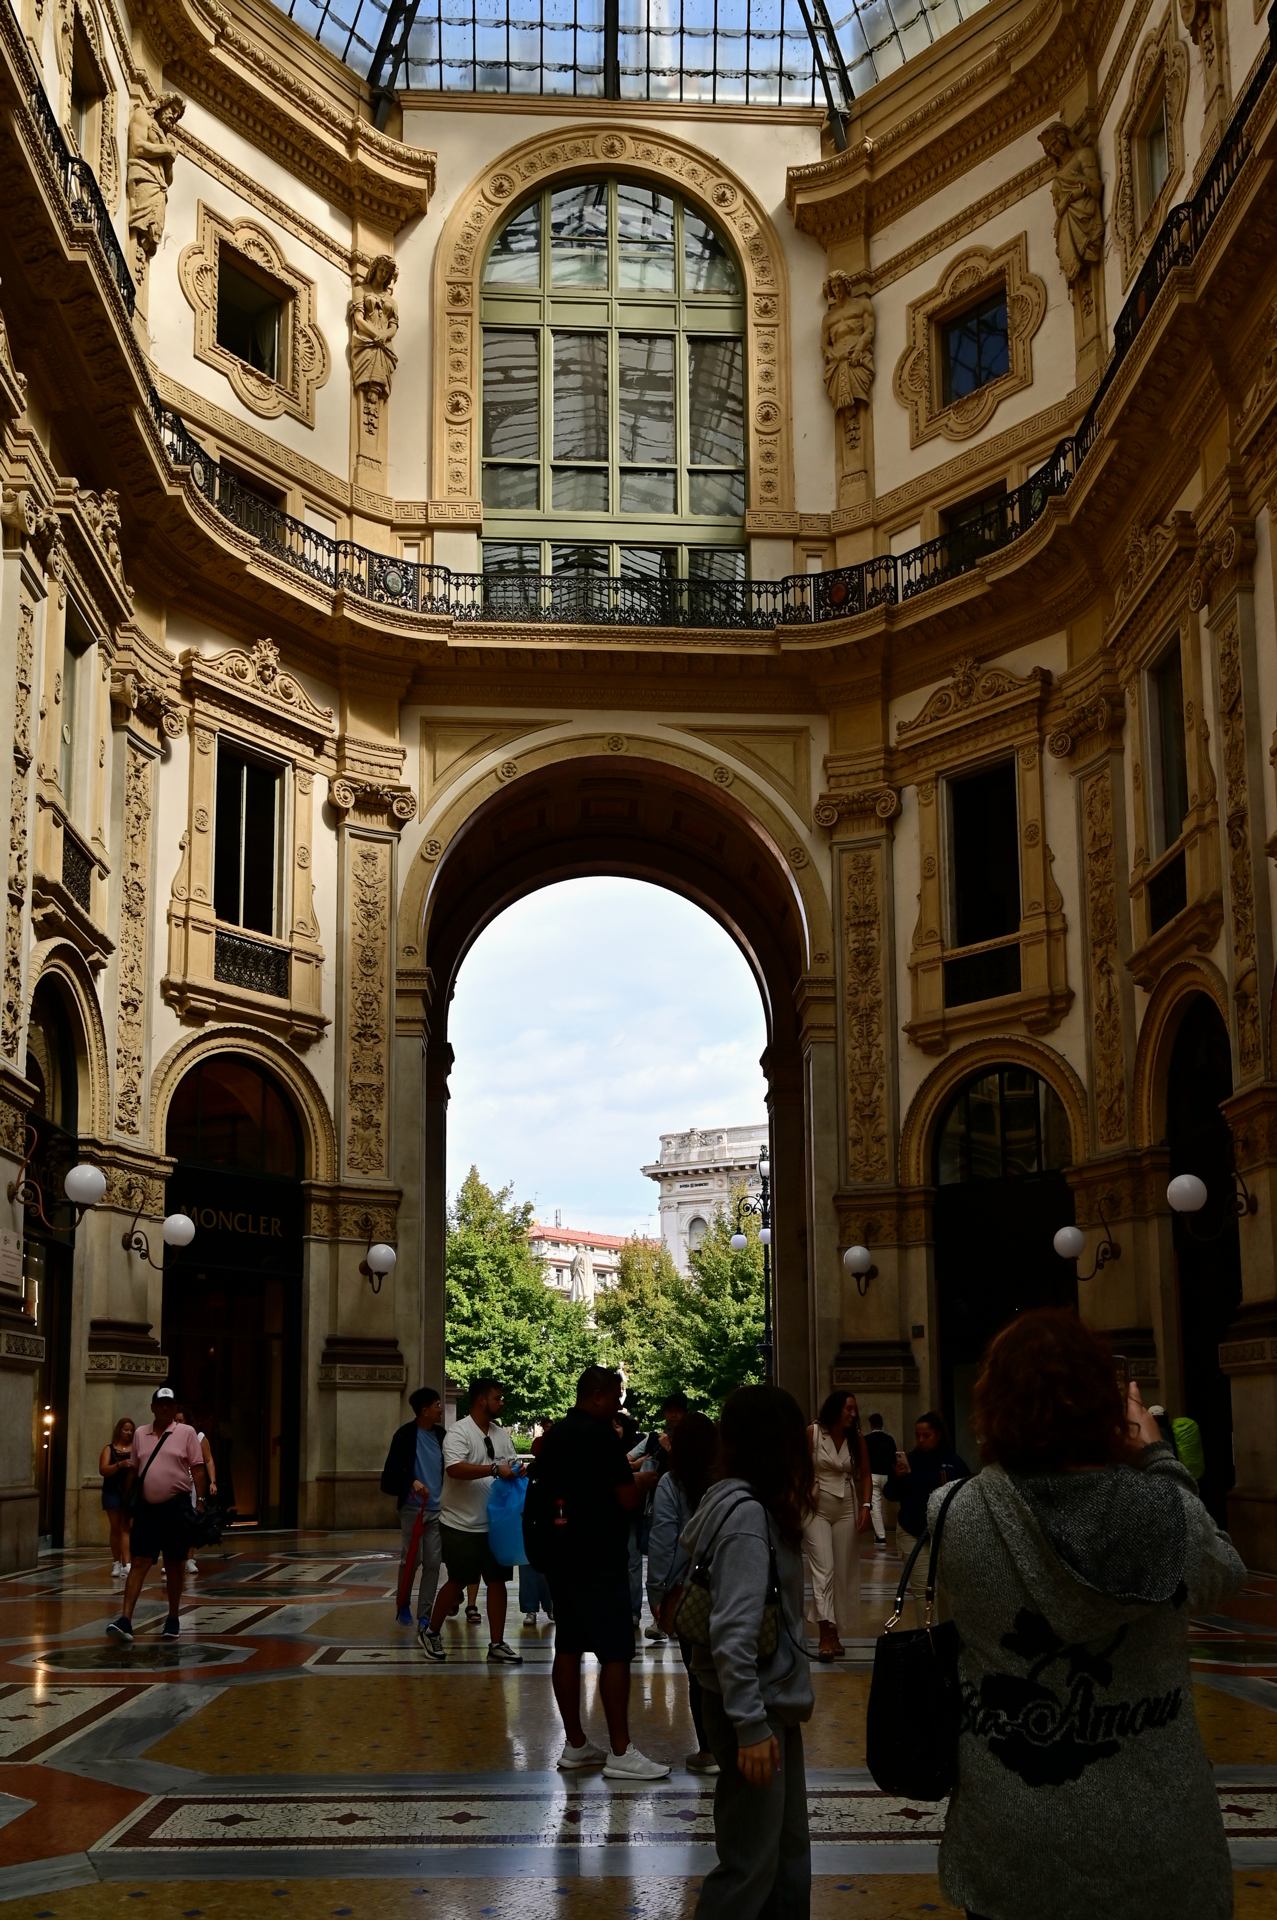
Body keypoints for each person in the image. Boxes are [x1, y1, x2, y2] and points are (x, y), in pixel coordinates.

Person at [932, 1309, 1245, 1920]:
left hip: (1012, 1842)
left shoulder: (954, 1513)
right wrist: (1158, 1459)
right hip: (1156, 1843)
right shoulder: (1163, 1511)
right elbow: (1222, 1573)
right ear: (1109, 1404)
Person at [681, 1385, 815, 1918]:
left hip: (766, 1700)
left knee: (785, 1852)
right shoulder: (746, 1518)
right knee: (750, 1865)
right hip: (753, 1706)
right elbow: (733, 1634)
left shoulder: (735, 1502)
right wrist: (751, 1727)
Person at [527, 1364, 670, 1780]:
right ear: (596, 1395)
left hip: (559, 1556)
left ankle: (575, 1745)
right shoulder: (601, 1436)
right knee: (615, 1651)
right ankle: (621, 1751)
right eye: (615, 1394)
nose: (619, 1402)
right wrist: (644, 1481)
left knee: (568, 1646)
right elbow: (625, 1498)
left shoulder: (554, 1438)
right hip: (599, 1558)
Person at [421, 1377, 524, 1665]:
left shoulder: (500, 1434)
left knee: (497, 1582)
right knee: (458, 1580)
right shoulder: (459, 1432)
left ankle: (497, 1643)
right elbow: (454, 1469)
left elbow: (509, 1464)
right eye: (498, 1398)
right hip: (461, 1523)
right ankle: (430, 1631)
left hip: (494, 1524)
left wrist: (516, 1470)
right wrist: (493, 1468)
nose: (501, 1402)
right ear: (482, 1400)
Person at [647, 1408, 719, 1773]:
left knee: (698, 1670)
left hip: (691, 1589)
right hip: (729, 1585)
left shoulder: (671, 1483)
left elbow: (663, 1541)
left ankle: (708, 1749)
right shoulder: (727, 1480)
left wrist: (657, 1592)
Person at [107, 1388, 206, 1642]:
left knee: (174, 1564)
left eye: (169, 1404)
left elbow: (197, 1468)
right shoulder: (141, 1433)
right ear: (152, 1407)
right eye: (160, 1404)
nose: (164, 1408)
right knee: (139, 1562)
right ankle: (125, 1619)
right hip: (148, 1510)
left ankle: (173, 1618)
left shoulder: (186, 1433)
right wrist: (129, 1503)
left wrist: (201, 1502)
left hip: (176, 1507)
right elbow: (136, 1470)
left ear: (174, 1408)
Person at [802, 1389, 871, 1659]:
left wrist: (866, 1505)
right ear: (835, 1409)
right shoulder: (814, 1433)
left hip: (846, 1508)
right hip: (816, 1508)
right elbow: (800, 1467)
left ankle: (836, 1632)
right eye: (848, 1409)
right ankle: (825, 1636)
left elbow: (865, 1474)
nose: (853, 1415)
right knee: (824, 1570)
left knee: (843, 1572)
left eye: (855, 1410)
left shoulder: (857, 1439)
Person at [889, 1410, 969, 1625]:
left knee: (946, 1593)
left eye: (927, 1435)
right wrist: (898, 1477)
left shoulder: (953, 1462)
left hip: (944, 1535)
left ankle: (947, 1642)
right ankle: (928, 1641)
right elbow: (891, 1493)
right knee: (922, 1592)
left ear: (938, 1435)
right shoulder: (910, 1461)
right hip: (913, 1532)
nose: (921, 1440)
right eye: (918, 1435)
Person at [380, 1387, 445, 1638]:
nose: (440, 1408)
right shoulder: (405, 1435)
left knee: (433, 1563)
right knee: (411, 1559)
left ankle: (425, 1613)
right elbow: (393, 1469)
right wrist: (411, 1482)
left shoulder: (441, 1435)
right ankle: (403, 1604)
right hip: (412, 1508)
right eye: (436, 1404)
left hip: (438, 1509)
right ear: (424, 1410)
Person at [172, 1406, 217, 1577]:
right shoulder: (169, 1437)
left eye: (180, 1420)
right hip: (176, 1482)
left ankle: (190, 1558)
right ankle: (175, 1557)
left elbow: (208, 1460)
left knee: (191, 1519)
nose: (177, 1424)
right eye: (175, 1420)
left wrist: (212, 1481)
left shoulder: (198, 1438)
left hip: (192, 1485)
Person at [520, 1418, 555, 1626]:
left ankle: (546, 1607)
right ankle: (534, 1608)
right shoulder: (532, 1472)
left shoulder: (557, 1471)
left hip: (544, 1523)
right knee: (530, 1566)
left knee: (546, 1567)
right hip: (533, 1522)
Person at [99, 1417, 135, 1582]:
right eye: (125, 1429)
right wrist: (119, 1465)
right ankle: (116, 1561)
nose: (128, 1433)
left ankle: (127, 1563)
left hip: (129, 1492)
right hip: (112, 1491)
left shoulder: (135, 1449)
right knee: (115, 1527)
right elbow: (103, 1469)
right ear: (119, 1430)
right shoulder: (109, 1449)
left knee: (126, 1526)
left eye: (131, 1430)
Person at [865, 1412, 896, 1547]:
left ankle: (881, 1536)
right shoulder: (889, 1439)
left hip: (873, 1475)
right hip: (887, 1475)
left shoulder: (866, 1439)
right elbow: (894, 1458)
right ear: (882, 1424)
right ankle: (880, 1533)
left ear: (871, 1424)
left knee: (875, 1506)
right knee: (883, 1506)